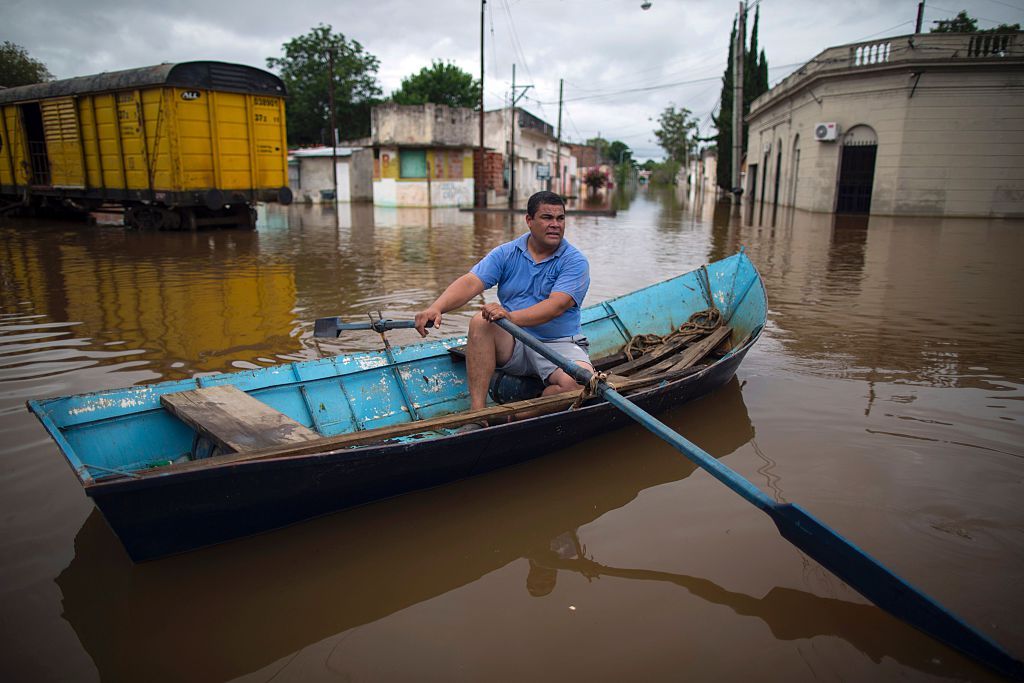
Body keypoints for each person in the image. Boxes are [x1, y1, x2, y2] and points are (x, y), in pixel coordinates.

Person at [414, 190, 592, 415]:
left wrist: (510, 318)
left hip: (558, 343)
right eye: (547, 218)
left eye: (560, 218)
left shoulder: (574, 262)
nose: (555, 224)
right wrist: (436, 307)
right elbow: (471, 282)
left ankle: (518, 416)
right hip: (514, 341)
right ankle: (478, 413)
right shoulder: (507, 253)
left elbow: (556, 306)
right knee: (481, 321)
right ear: (529, 220)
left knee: (581, 385)